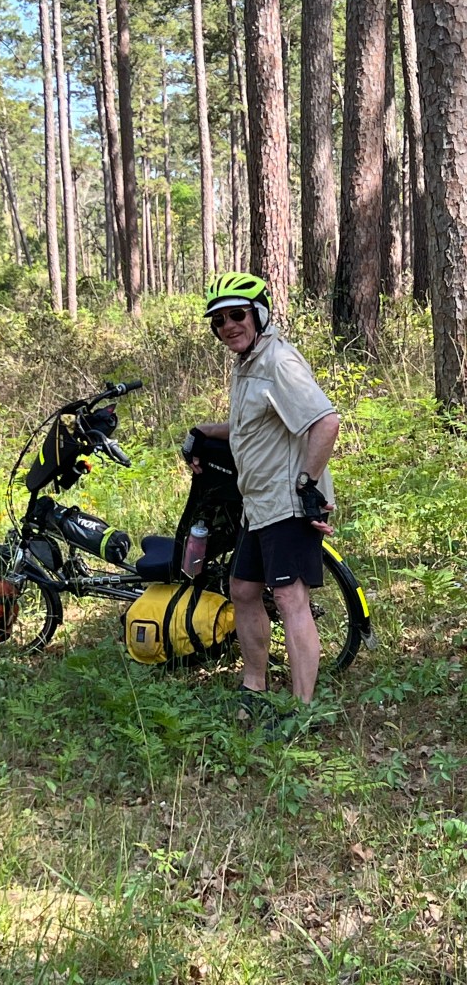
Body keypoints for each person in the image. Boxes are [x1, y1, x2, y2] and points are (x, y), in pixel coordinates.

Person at [184, 272, 340, 717]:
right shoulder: (247, 365)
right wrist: (203, 432)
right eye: (219, 320)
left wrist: (307, 485)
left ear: (259, 315)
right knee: (243, 589)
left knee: (290, 598)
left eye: (237, 315)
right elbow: (251, 426)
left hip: (288, 501)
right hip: (257, 503)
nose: (228, 326)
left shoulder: (278, 362)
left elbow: (325, 421)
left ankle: (301, 710)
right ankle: (254, 688)